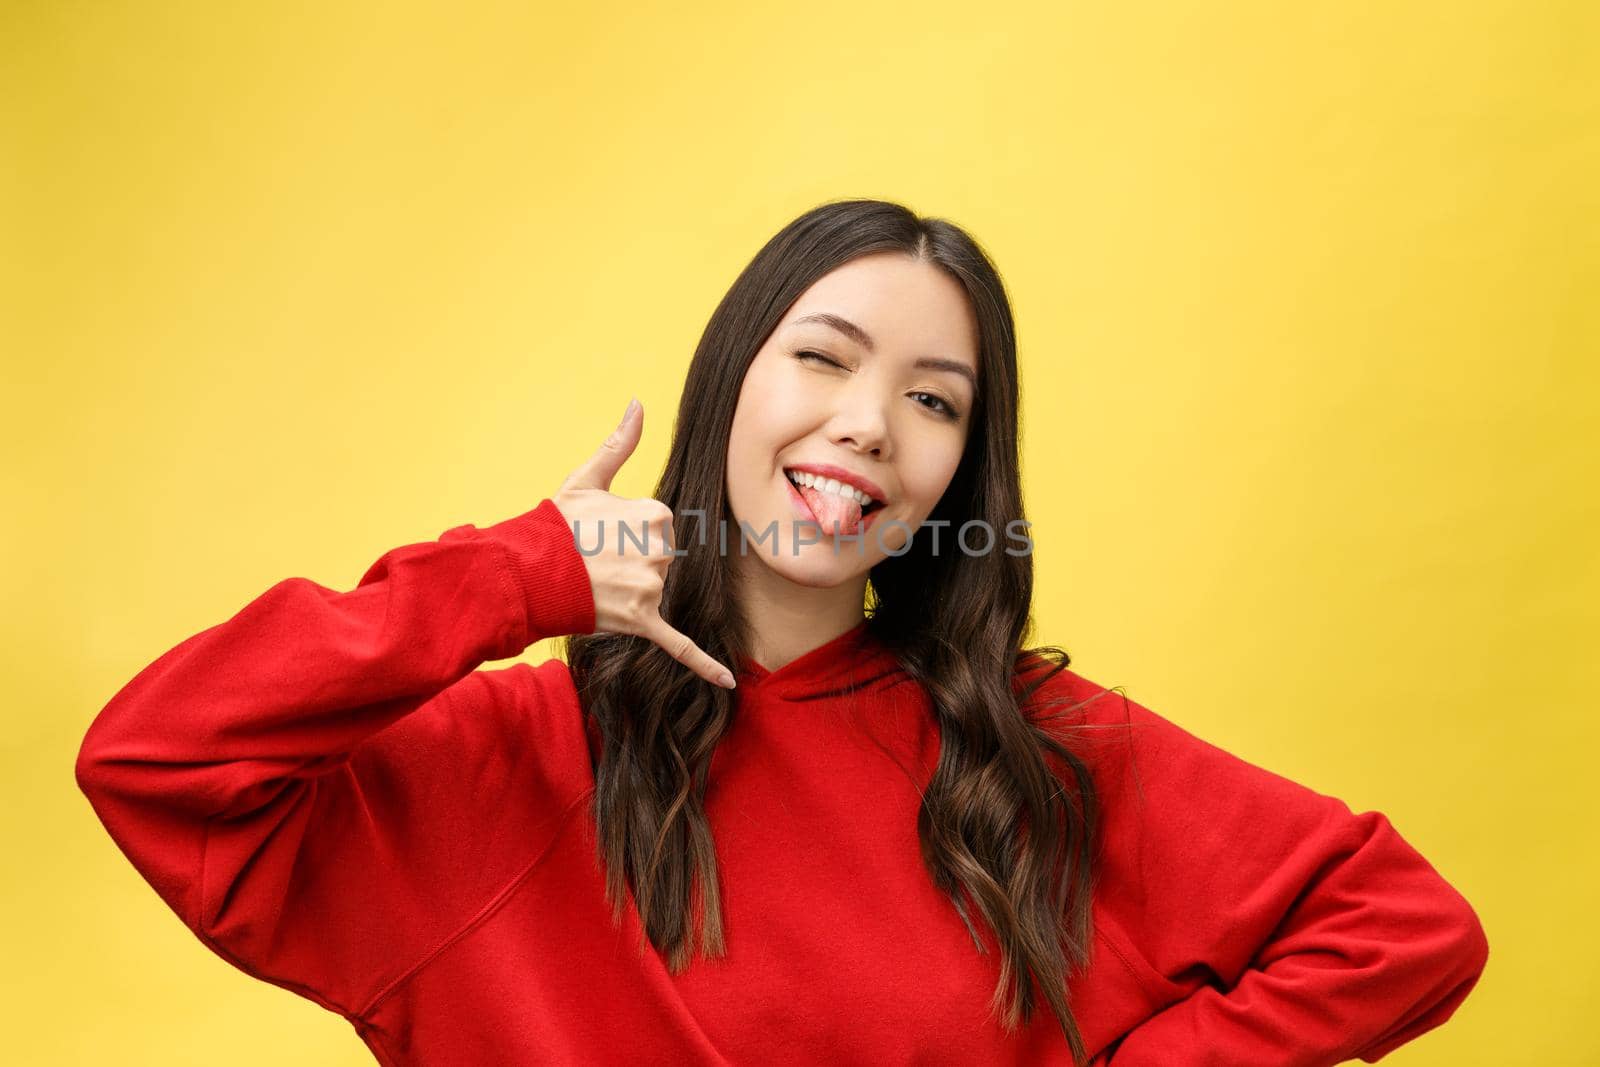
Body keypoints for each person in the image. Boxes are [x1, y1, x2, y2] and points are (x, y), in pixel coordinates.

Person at [75, 198, 1488, 1066]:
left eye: (934, 401)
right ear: (729, 383)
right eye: (821, 357)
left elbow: (1403, 927)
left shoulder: (1031, 752)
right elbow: (157, 761)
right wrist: (514, 578)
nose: (869, 424)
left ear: (957, 478)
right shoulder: (510, 762)